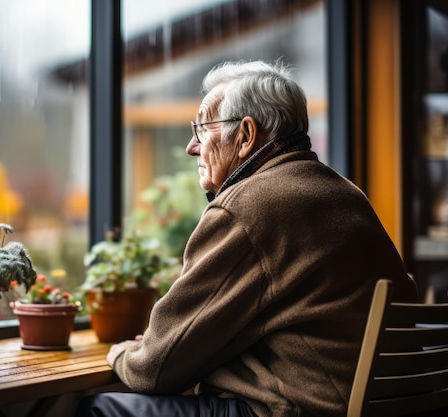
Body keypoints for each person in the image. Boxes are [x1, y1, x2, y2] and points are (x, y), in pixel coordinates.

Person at [75, 60, 418, 417]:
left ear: (245, 136)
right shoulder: (345, 193)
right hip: (381, 406)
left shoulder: (249, 206)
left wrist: (123, 356)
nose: (192, 146)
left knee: (101, 408)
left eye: (202, 128)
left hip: (298, 410)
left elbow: (155, 369)